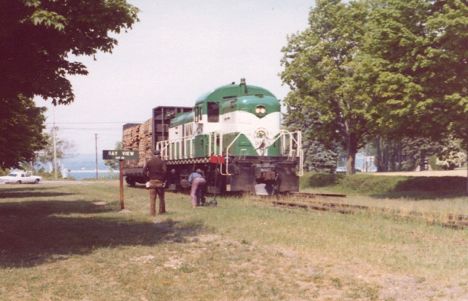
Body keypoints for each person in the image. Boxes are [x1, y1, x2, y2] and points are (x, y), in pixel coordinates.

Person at [143, 149, 167, 216]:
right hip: (160, 182)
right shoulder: (162, 162)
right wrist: (163, 180)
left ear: (153, 155)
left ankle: (152, 213)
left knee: (152, 198)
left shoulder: (149, 162)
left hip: (152, 182)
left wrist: (147, 180)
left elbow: (144, 172)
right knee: (161, 198)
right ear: (159, 154)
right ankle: (161, 211)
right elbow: (165, 172)